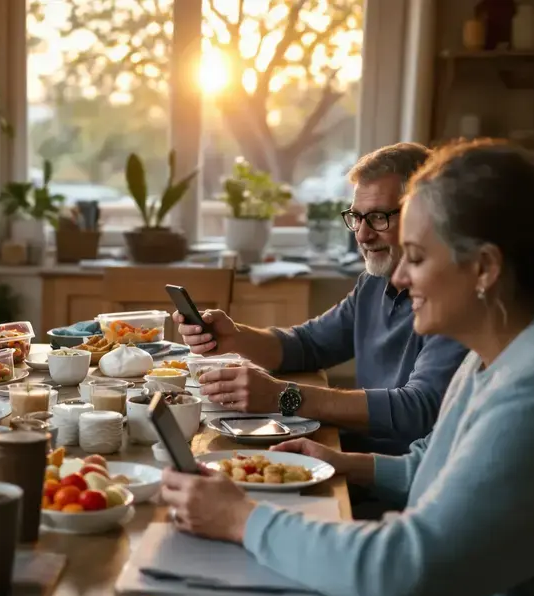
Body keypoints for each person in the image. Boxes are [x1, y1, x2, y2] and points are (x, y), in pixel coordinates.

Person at [160, 140, 534, 596]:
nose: (398, 278)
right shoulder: (509, 347)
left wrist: (241, 519)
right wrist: (346, 464)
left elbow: (402, 574)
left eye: (416, 257)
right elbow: (436, 466)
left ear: (484, 268)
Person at [178, 143, 468, 456]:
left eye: (378, 217)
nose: (362, 235)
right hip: (350, 453)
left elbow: (418, 409)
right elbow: (308, 345)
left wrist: (283, 396)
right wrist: (235, 337)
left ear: (423, 217)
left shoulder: (455, 300)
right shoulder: (373, 283)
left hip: (388, 472)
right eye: (356, 217)